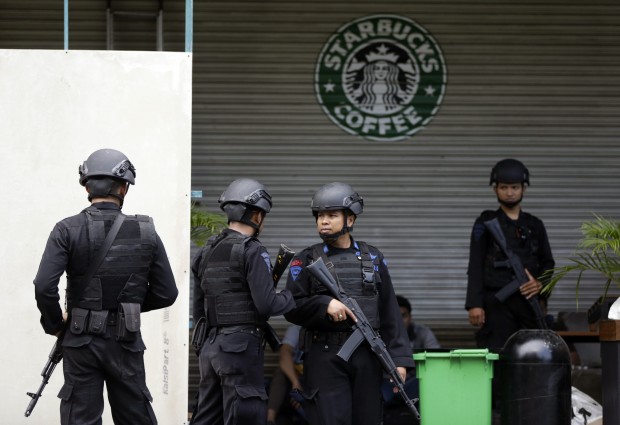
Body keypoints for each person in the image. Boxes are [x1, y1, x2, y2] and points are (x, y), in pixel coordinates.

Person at [33, 148, 179, 425]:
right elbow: (167, 293)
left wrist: (55, 324)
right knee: (136, 417)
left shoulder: (66, 229)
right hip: (126, 338)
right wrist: (128, 307)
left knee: (80, 418)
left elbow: (44, 286)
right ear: (124, 187)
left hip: (79, 338)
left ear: (86, 185)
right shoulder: (146, 231)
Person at [284, 182, 414, 425]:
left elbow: (389, 311)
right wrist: (324, 305)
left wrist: (399, 359)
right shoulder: (306, 259)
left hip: (367, 354)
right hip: (325, 355)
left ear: (350, 220)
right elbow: (291, 306)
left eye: (332, 215)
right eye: (320, 215)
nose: (323, 221)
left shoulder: (373, 258)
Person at [190, 178, 295, 425]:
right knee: (245, 415)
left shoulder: (206, 250)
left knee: (207, 417)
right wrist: (292, 296)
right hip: (240, 348)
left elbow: (199, 307)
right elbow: (266, 305)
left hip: (210, 347)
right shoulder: (252, 250)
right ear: (256, 216)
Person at [465, 158, 555, 351]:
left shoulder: (534, 224)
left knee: (532, 354)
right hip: (496, 302)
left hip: (528, 301)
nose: (510, 192)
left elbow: (548, 262)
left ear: (524, 189)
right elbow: (476, 263)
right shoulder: (485, 222)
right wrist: (474, 304)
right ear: (495, 189)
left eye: (515, 187)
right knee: (498, 354)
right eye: (504, 187)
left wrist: (539, 284)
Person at [267, 324, 307, 425]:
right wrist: (295, 383)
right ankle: (270, 420)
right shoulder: (296, 328)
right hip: (295, 376)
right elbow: (285, 353)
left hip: (313, 377)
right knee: (281, 373)